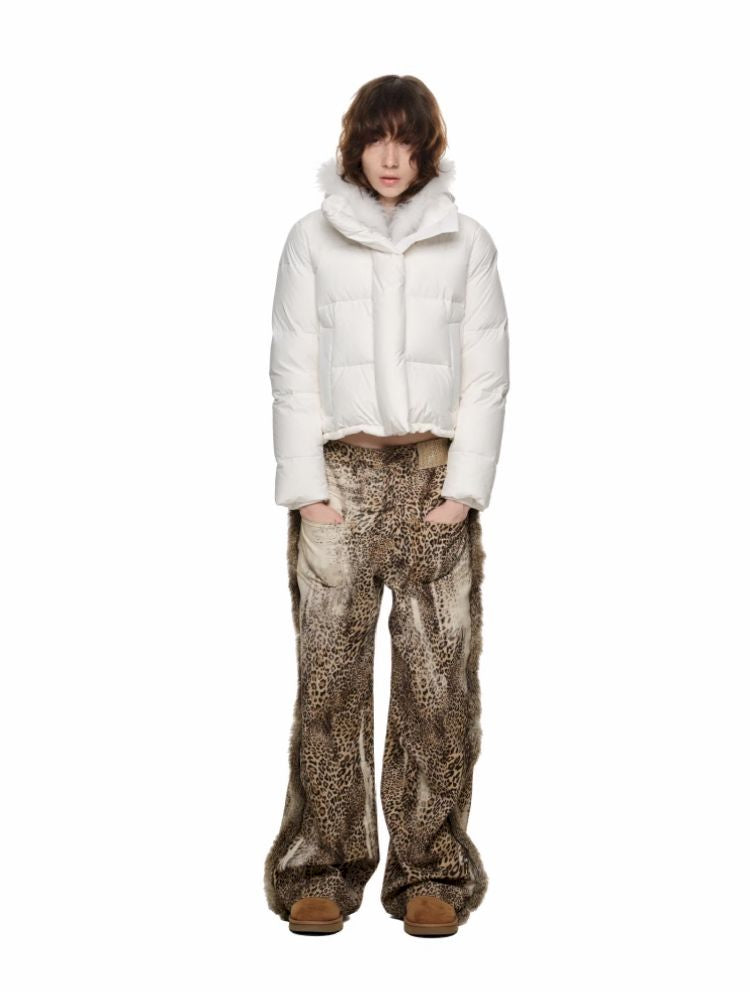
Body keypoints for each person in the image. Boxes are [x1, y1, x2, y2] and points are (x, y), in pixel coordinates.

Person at [263, 74, 510, 936]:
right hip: (340, 481)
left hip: (433, 482)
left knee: (438, 687)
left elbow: (487, 372)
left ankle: (432, 872)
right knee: (328, 685)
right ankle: (319, 870)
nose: (392, 156)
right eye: (378, 137)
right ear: (355, 144)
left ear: (427, 148)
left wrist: (463, 491)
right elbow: (292, 365)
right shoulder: (311, 239)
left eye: (407, 139)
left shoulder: (467, 242)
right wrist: (308, 491)